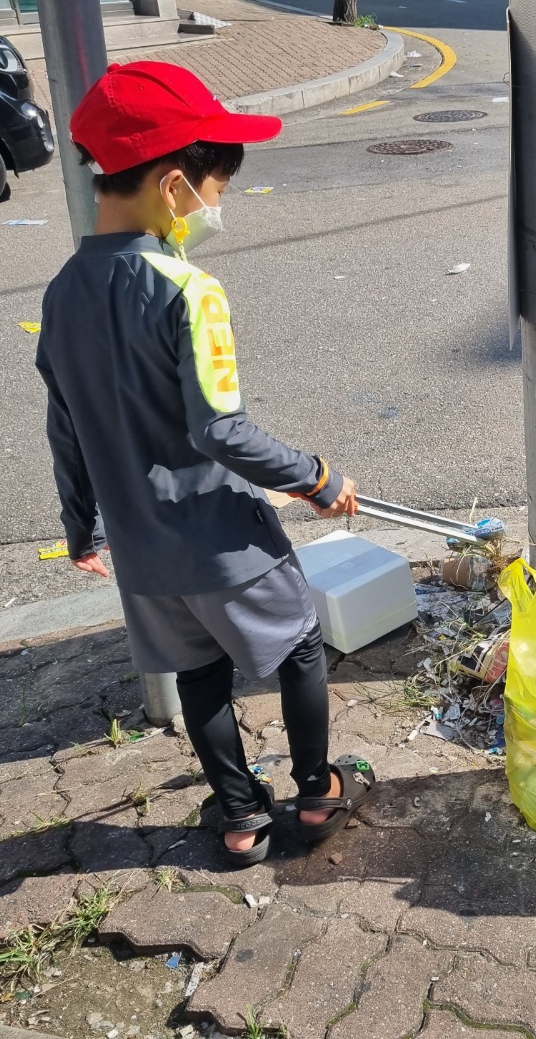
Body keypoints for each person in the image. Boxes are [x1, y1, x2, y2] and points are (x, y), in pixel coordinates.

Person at [37, 61, 371, 867]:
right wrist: (317, 477)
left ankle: (239, 818)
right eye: (216, 185)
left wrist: (79, 524)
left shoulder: (60, 292)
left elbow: (66, 423)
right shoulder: (189, 290)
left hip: (142, 548)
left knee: (199, 672)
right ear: (175, 183)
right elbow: (222, 431)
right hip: (220, 534)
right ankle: (318, 792)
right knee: (296, 649)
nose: (216, 204)